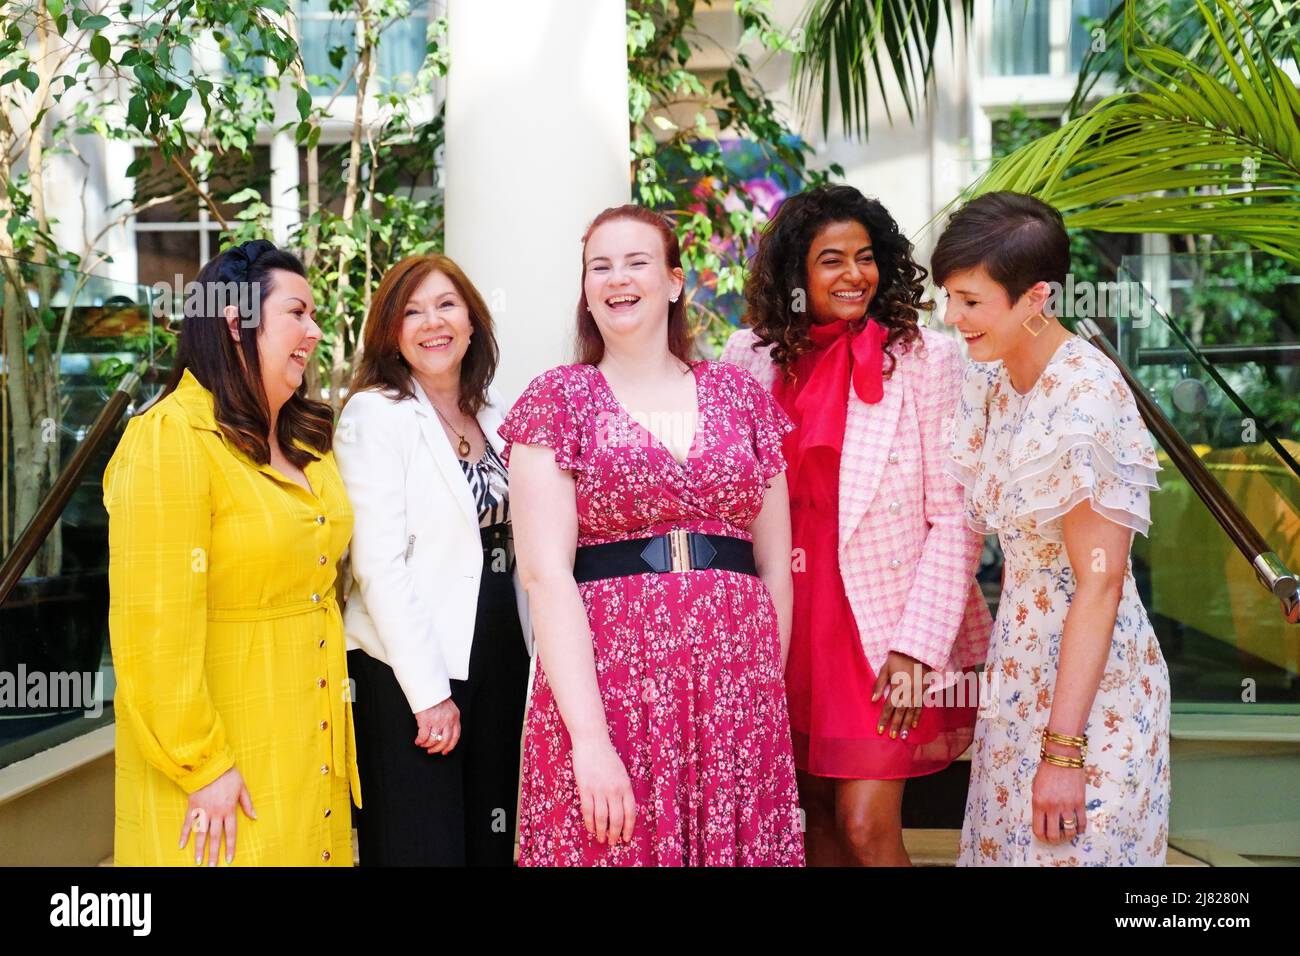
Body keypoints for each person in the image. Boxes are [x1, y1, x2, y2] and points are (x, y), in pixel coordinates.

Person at [500, 203, 804, 866]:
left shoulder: (739, 395)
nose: (617, 279)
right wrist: (589, 740)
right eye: (599, 267)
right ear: (585, 289)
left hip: (735, 685)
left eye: (636, 262)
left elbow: (776, 566)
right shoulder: (560, 399)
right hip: (610, 686)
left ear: (673, 281)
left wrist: (759, 689)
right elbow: (545, 577)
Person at [721, 184, 991, 866]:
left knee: (867, 826)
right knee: (812, 823)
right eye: (831, 260)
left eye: (865, 258)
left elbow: (955, 518)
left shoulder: (926, 359)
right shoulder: (745, 360)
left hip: (880, 628)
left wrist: (917, 650)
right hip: (784, 618)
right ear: (795, 275)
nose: (853, 276)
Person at [105, 240, 360, 866]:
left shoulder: (305, 437)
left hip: (309, 737)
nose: (315, 330)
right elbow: (152, 627)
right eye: (297, 313)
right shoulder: (170, 440)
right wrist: (203, 765)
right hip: (223, 760)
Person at [935, 191, 1170, 866]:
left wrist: (1064, 751)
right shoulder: (995, 380)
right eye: (949, 296)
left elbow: (1098, 588)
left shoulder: (1084, 398)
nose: (953, 318)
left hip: (1094, 701)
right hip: (1018, 681)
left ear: (1035, 298)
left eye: (971, 301)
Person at [336, 254, 530, 866]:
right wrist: (427, 693)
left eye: (446, 304)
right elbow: (378, 566)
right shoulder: (375, 414)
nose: (432, 322)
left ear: (472, 320)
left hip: (501, 645)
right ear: (391, 333)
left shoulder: (498, 412)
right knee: (423, 847)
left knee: (493, 839)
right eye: (412, 312)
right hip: (409, 665)